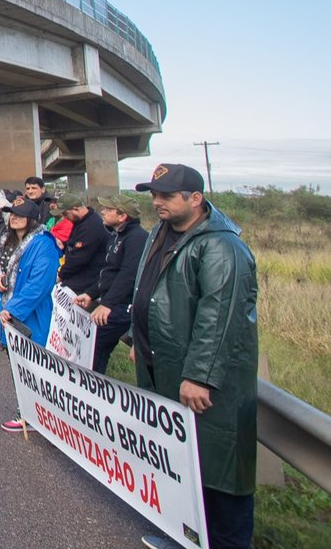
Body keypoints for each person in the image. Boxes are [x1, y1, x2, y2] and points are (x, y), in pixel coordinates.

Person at [128, 164, 257, 549]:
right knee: (181, 468)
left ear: (195, 199)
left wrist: (199, 376)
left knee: (219, 480)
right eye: (154, 194)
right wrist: (139, 338)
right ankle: (185, 539)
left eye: (166, 195)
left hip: (203, 385)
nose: (156, 202)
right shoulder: (160, 234)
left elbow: (220, 317)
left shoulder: (221, 246)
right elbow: (147, 290)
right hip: (164, 370)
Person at [0, 198, 61, 432]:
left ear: (32, 218)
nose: (13, 217)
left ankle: (32, 414)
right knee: (16, 365)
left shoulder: (43, 244)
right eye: (10, 213)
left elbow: (40, 284)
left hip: (28, 315)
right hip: (4, 310)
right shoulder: (4, 241)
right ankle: (27, 410)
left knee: (31, 366)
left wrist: (14, 310)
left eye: (18, 214)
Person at [72, 193, 147, 374]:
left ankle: (91, 386)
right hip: (112, 302)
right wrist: (91, 293)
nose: (103, 212)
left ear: (122, 216)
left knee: (92, 346)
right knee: (94, 349)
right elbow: (109, 273)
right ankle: (90, 385)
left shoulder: (136, 238)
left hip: (123, 307)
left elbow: (128, 275)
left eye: (108, 209)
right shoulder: (116, 235)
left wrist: (107, 304)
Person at [54, 192, 109, 295]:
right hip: (79, 274)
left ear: (76, 209)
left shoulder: (90, 226)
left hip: (88, 279)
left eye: (66, 214)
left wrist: (60, 275)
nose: (65, 218)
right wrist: (64, 245)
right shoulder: (81, 222)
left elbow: (78, 258)